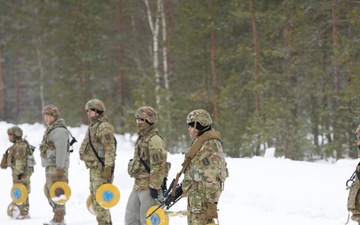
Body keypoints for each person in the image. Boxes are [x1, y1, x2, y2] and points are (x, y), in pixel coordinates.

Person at [180, 109, 228, 225]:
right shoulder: (200, 141)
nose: (189, 129)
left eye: (191, 126)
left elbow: (211, 175)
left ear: (200, 125)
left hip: (203, 198)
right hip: (197, 196)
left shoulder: (209, 145)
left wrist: (212, 203)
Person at [125, 106, 169, 225]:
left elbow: (158, 165)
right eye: (137, 119)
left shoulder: (154, 139)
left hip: (149, 187)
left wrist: (154, 187)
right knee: (131, 219)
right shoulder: (142, 138)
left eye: (141, 120)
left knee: (148, 220)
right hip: (138, 184)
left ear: (149, 121)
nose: (138, 123)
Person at [79, 99, 116, 225]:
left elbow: (110, 149)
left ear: (97, 111)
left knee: (101, 203)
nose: (88, 113)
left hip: (101, 170)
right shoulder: (94, 126)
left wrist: (107, 170)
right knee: (97, 201)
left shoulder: (104, 127)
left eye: (90, 110)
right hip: (95, 169)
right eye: (87, 111)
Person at [40, 104, 70, 225]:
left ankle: (59, 218)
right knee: (49, 190)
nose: (46, 118)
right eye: (45, 115)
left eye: (49, 115)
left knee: (58, 191)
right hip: (51, 166)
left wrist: (60, 168)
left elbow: (61, 150)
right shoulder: (52, 129)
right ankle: (57, 215)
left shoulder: (59, 131)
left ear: (55, 116)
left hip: (57, 167)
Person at [1, 126, 35, 219]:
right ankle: (20, 210)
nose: (9, 137)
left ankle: (24, 213)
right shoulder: (16, 145)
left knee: (22, 191)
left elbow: (20, 161)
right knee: (20, 191)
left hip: (22, 173)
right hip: (19, 172)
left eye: (11, 135)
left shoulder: (20, 146)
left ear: (16, 135)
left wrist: (19, 173)